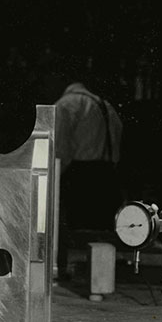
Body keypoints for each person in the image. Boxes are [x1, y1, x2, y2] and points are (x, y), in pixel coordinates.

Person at [48, 73, 123, 279]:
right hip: (107, 174)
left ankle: (72, 275)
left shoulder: (68, 104)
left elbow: (60, 148)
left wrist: (52, 179)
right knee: (99, 236)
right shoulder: (106, 105)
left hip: (81, 175)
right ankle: (98, 280)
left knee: (76, 233)